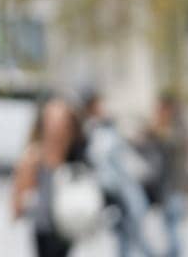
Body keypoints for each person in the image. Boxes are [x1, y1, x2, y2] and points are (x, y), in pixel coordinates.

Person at [80, 93, 156, 257]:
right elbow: (100, 158)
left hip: (122, 191)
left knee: (131, 236)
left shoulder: (104, 128)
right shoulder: (96, 130)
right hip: (116, 192)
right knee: (129, 236)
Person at [11, 97, 89, 257]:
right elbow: (20, 194)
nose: (56, 126)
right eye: (52, 120)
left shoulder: (75, 154)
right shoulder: (34, 155)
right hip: (44, 225)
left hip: (68, 222)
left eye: (61, 121)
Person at [136, 95, 188, 257]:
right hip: (166, 190)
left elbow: (170, 146)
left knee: (171, 229)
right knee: (166, 230)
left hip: (173, 189)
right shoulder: (164, 132)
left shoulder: (174, 132)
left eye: (160, 109)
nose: (157, 113)